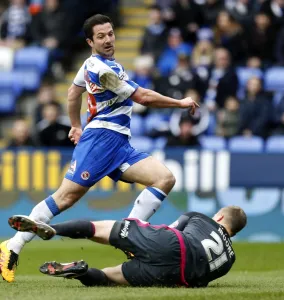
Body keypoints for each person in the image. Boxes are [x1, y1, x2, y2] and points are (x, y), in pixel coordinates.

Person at [0, 14, 198, 283]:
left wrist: (74, 125)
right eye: (101, 36)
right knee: (66, 197)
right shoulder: (104, 70)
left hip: (119, 144)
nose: (108, 40)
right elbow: (143, 97)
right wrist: (181, 102)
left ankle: (131, 239)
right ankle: (11, 247)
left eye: (110, 34)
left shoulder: (95, 64)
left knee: (164, 178)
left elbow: (72, 94)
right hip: (102, 140)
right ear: (90, 41)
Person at [8, 205, 247, 287]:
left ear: (221, 218)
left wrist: (139, 239)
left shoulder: (199, 217)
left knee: (100, 229)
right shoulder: (230, 260)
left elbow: (171, 230)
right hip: (175, 275)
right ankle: (81, 272)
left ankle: (53, 229)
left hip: (174, 243)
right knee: (109, 278)